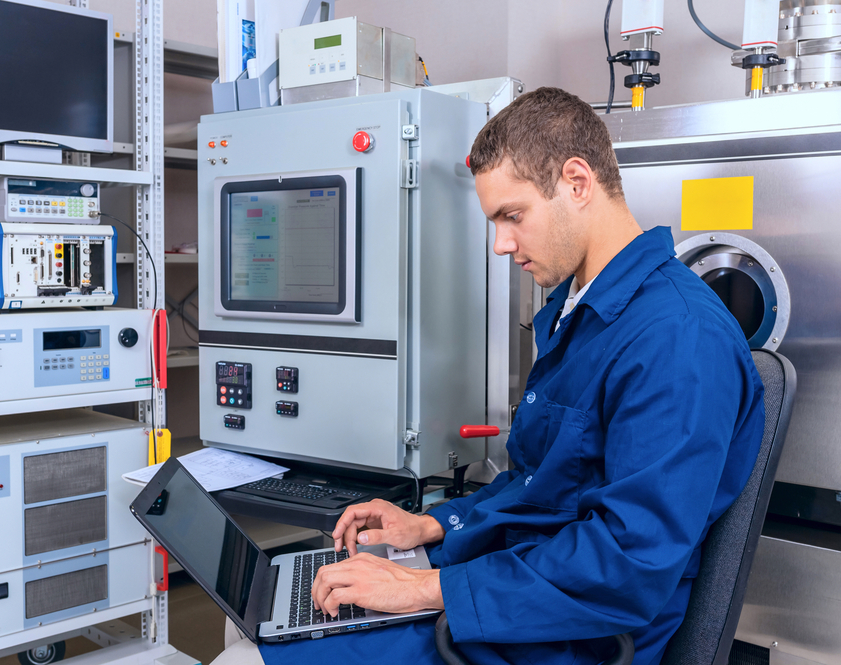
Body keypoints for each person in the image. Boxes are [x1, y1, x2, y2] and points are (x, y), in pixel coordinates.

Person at [214, 86, 765, 665]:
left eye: (512, 215)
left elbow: (627, 564)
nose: (502, 244)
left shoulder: (676, 337)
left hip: (566, 635)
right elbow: (539, 487)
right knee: (266, 612)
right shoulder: (580, 311)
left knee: (247, 655)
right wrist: (431, 527)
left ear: (578, 183)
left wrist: (424, 588)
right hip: (515, 584)